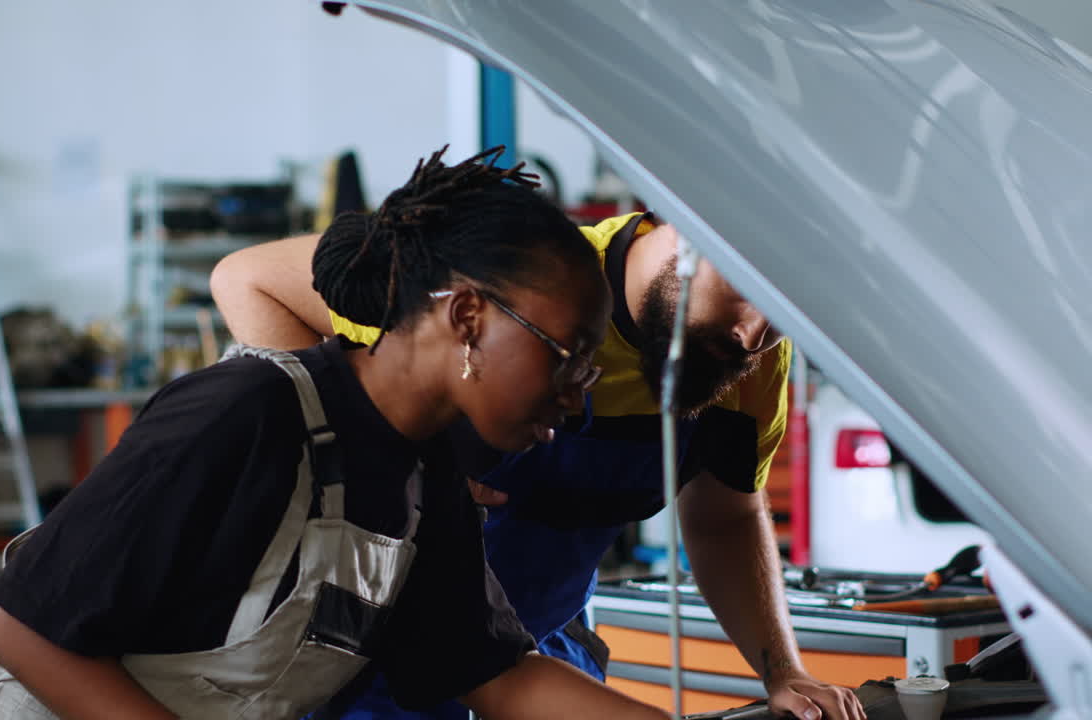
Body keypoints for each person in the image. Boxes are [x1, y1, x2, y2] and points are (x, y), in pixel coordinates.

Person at [0, 147, 675, 720]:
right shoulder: (246, 412)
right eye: (569, 356)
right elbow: (21, 629)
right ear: (468, 318)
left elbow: (498, 678)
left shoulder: (425, 479)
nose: (579, 396)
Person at [212, 200, 867, 720]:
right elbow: (248, 281)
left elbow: (725, 519)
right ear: (678, 220)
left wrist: (783, 670)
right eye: (747, 290)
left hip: (534, 654)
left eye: (787, 315)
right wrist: (375, 464)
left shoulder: (741, 357)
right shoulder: (515, 282)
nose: (752, 335)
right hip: (371, 665)